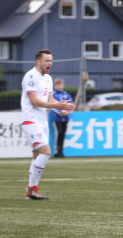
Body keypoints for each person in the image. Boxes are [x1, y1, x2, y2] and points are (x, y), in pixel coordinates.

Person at [21, 49, 75, 200]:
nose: (50, 63)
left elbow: (50, 100)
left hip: (42, 120)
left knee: (37, 155)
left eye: (51, 61)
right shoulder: (31, 77)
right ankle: (32, 187)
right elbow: (34, 101)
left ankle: (30, 192)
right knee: (46, 152)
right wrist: (56, 107)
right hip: (30, 119)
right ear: (38, 61)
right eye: (47, 60)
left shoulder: (48, 78)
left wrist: (60, 104)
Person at [50, 78, 73, 158]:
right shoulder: (53, 95)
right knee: (58, 133)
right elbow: (51, 105)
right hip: (56, 118)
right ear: (55, 86)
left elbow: (71, 105)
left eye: (61, 85)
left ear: (63, 85)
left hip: (65, 118)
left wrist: (68, 112)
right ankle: (56, 152)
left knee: (63, 134)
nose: (59, 86)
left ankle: (61, 151)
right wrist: (60, 112)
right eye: (57, 85)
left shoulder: (67, 95)